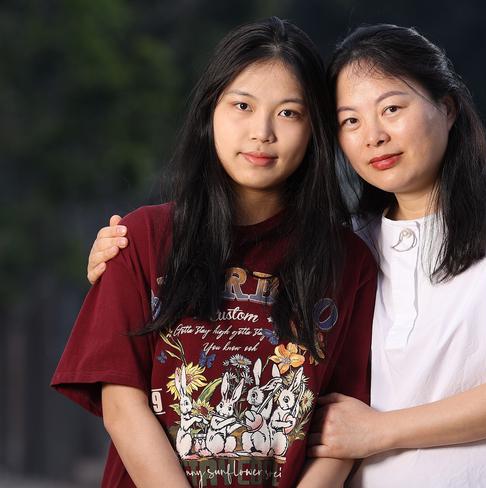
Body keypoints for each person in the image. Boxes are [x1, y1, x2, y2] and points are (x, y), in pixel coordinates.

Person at [85, 23, 486, 488]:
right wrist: (117, 260)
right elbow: (124, 395)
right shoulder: (353, 242)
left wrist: (376, 432)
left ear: (448, 108)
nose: (374, 135)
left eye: (392, 109)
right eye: (351, 119)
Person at [52, 18, 377, 488]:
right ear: (210, 112)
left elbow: (343, 424)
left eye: (289, 113)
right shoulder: (142, 237)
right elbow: (122, 406)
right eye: (242, 105)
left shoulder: (348, 261)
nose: (262, 132)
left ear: (315, 131)